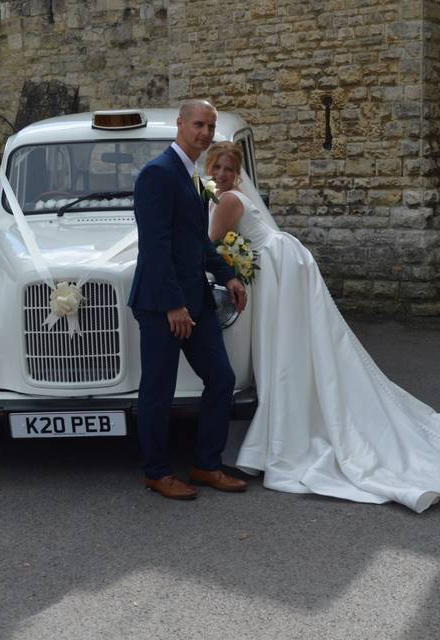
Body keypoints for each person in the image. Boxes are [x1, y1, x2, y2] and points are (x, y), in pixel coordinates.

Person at [204, 141, 440, 513]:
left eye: (228, 168)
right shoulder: (230, 195)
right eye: (218, 168)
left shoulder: (227, 200)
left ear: (235, 172)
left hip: (277, 267)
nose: (223, 174)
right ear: (210, 167)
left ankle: (285, 430)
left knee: (287, 344)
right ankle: (284, 420)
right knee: (295, 342)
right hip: (280, 261)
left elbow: (209, 244)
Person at [128, 101, 249, 500]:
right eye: (198, 124)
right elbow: (156, 247)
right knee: (157, 390)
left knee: (221, 379)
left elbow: (196, 241)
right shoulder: (157, 175)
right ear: (180, 124)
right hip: (162, 304)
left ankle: (205, 464)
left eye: (210, 126)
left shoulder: (195, 175)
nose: (205, 132)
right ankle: (157, 472)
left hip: (196, 299)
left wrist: (228, 274)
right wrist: (172, 305)